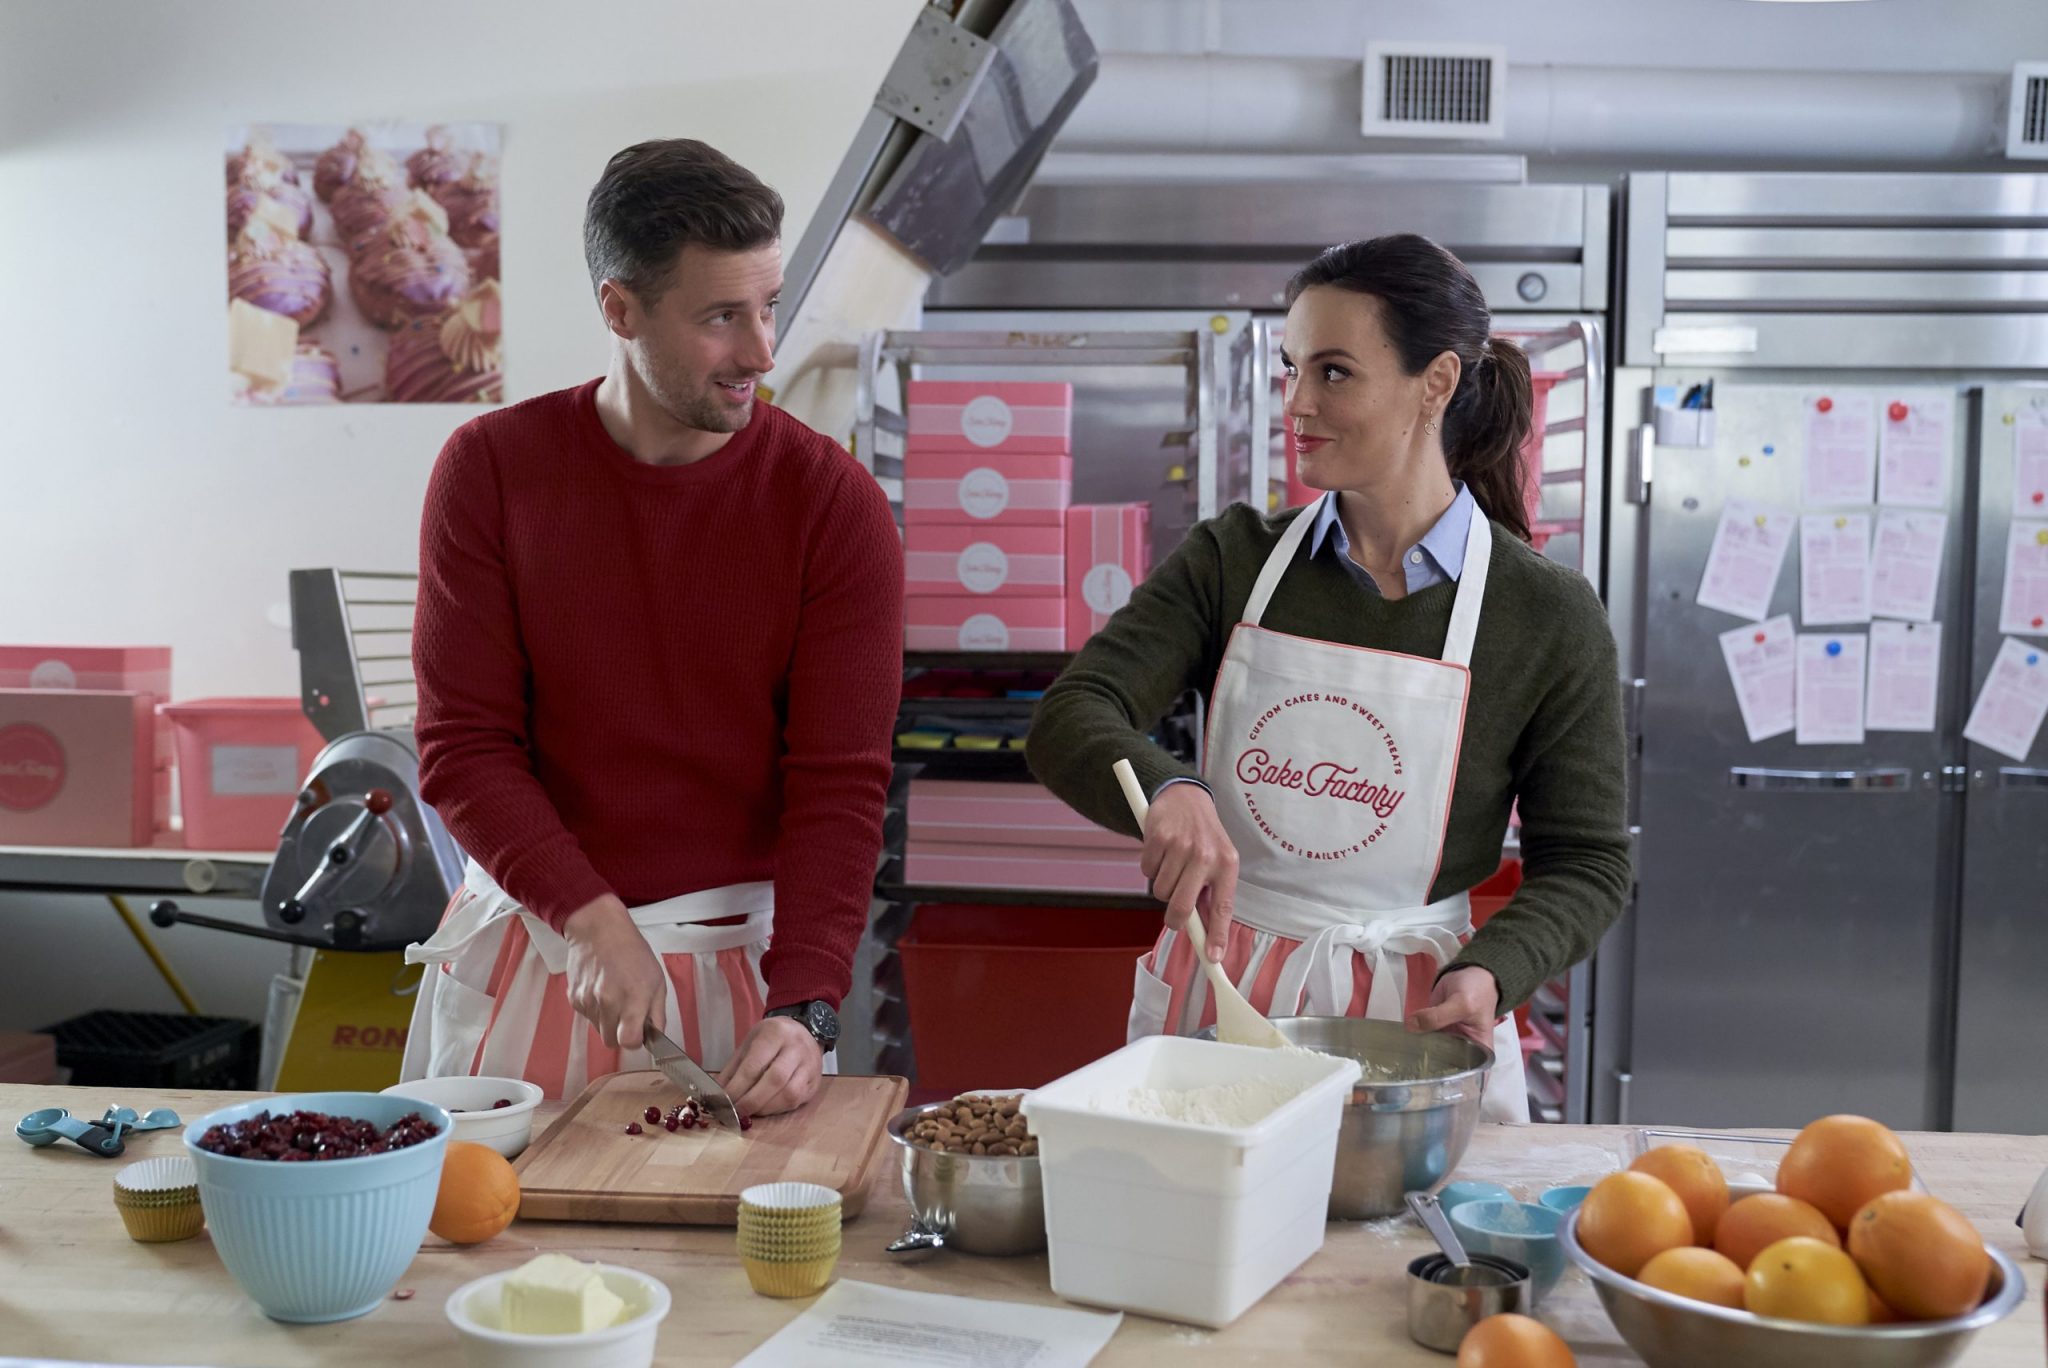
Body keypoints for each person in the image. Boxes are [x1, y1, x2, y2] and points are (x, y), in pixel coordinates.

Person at [1025, 234, 1629, 1122]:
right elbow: (1075, 712)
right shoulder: (1233, 561)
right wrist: (1169, 790)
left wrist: (1494, 970)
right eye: (1292, 368)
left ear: (1437, 384)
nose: (1297, 403)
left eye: (1334, 372)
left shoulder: (1544, 613)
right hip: (1225, 995)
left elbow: (1586, 860)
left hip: (1418, 1018)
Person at [397, 139, 902, 1115]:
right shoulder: (492, 471)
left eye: (767, 306)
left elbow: (838, 785)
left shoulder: (832, 506)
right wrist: (586, 918)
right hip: (535, 955)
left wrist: (808, 1007)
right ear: (618, 309)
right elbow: (463, 746)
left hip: (742, 988)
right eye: (721, 317)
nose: (761, 351)